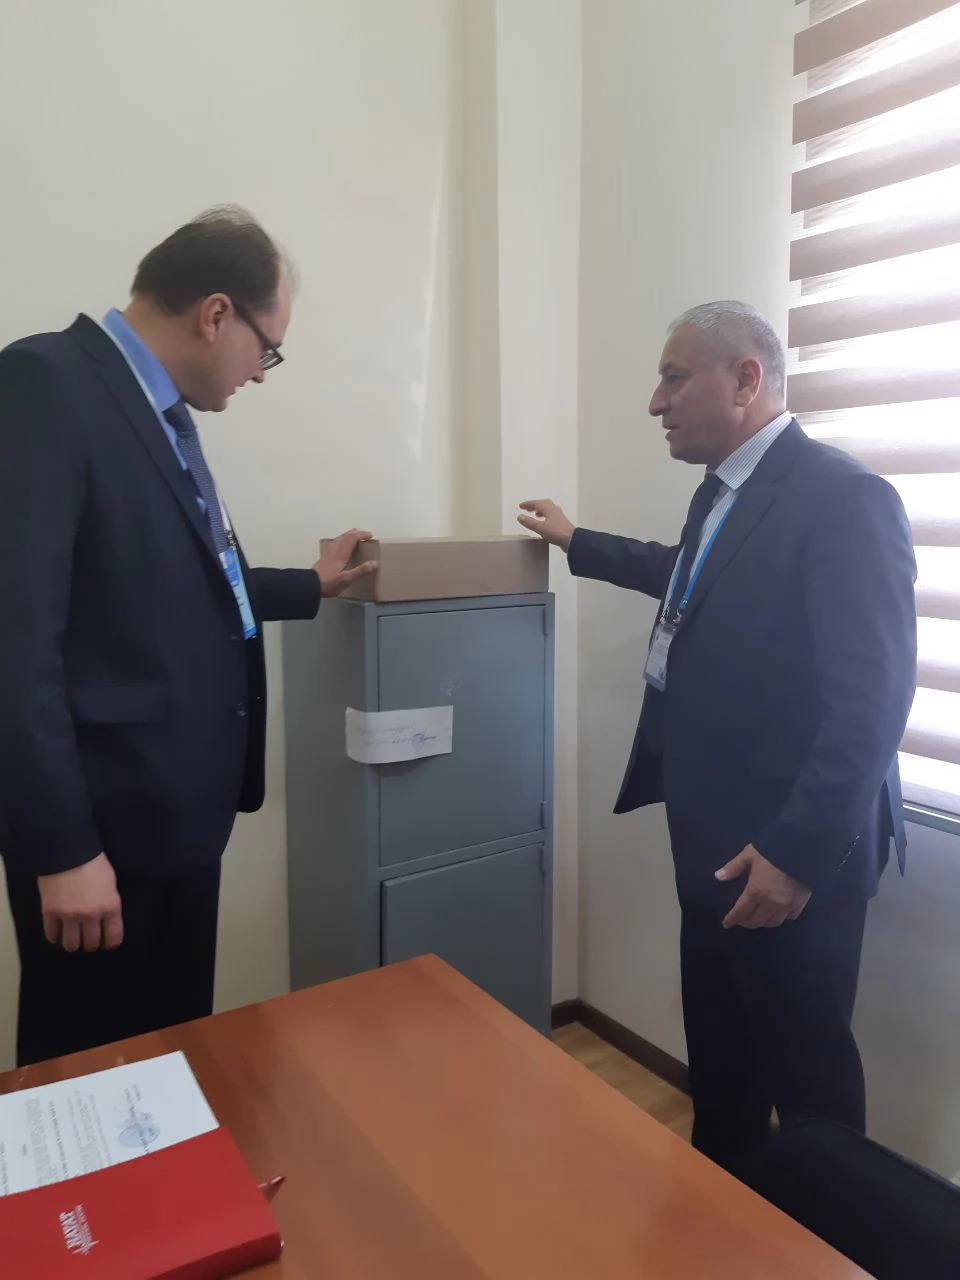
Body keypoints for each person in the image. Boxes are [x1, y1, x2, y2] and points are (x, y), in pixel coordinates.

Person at [519, 301, 917, 1174]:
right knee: (724, 1070)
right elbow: (687, 578)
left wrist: (793, 856)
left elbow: (874, 698)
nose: (655, 403)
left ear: (745, 379)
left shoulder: (846, 499)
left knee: (809, 1090)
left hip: (789, 858)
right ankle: (718, 1217)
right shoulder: (723, 494)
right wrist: (578, 541)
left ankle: (827, 1237)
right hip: (712, 841)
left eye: (673, 378)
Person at [0, 207, 376, 1066]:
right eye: (267, 350)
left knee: (171, 1062)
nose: (261, 373)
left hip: (181, 821)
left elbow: (184, 587)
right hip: (101, 840)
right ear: (215, 314)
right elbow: (15, 641)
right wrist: (61, 848)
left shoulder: (163, 419)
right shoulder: (46, 384)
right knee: (92, 1080)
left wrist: (309, 583)